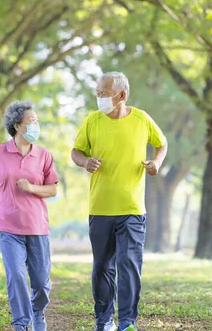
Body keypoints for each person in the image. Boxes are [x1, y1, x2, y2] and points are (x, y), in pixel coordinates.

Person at [71, 71, 168, 331]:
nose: (100, 99)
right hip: (100, 208)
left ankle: (126, 322)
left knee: (129, 265)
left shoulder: (141, 119)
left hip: (133, 209)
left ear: (122, 95)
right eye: (98, 94)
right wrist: (85, 162)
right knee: (102, 267)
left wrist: (156, 163)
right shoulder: (92, 121)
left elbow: (161, 144)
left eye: (104, 94)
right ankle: (104, 321)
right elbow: (76, 151)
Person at [0, 101, 58, 331]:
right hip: (9, 229)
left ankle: (38, 311)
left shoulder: (43, 156)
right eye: (32, 121)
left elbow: (52, 189)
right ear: (17, 126)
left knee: (41, 282)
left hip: (38, 228)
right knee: (17, 277)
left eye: (37, 121)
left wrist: (32, 188)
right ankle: (21, 324)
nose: (36, 125)